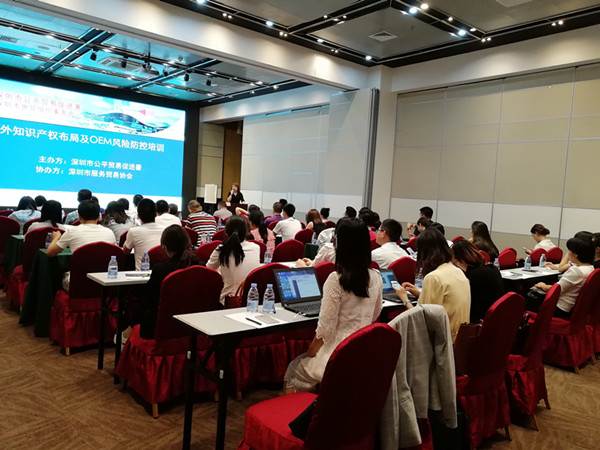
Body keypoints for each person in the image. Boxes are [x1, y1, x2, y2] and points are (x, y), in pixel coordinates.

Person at [284, 218, 383, 393]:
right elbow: (375, 314)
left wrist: (310, 353)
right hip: (364, 352)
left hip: (337, 354)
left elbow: (326, 329)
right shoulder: (376, 276)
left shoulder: (336, 280)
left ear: (339, 244)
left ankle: (291, 409)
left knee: (294, 370)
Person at [393, 227, 470, 342]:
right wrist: (420, 294)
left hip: (440, 342)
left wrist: (404, 299)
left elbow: (421, 321)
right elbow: (444, 304)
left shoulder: (434, 277)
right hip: (459, 339)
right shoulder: (458, 272)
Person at [135, 225, 199, 339]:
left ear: (164, 247)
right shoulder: (200, 267)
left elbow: (148, 300)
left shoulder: (160, 270)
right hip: (195, 327)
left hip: (161, 328)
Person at [530, 236, 595, 318]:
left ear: (575, 254)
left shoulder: (576, 271)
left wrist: (542, 285)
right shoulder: (590, 268)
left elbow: (556, 290)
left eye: (569, 251)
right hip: (572, 306)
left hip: (559, 308)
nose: (568, 253)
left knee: (528, 296)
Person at [207, 215, 260, 304]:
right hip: (252, 299)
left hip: (229, 300)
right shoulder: (256, 248)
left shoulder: (221, 249)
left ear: (226, 231)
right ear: (247, 231)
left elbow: (208, 270)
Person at [451, 239, 505, 322]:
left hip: (478, 320)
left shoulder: (470, 277)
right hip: (496, 318)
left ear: (457, 260)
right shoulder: (493, 269)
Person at [47, 200, 116, 257]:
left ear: (79, 217)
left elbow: (50, 253)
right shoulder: (109, 232)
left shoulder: (71, 232)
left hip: (78, 270)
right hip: (104, 270)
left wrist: (56, 238)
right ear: (98, 217)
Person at [123, 199, 165, 270]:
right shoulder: (166, 230)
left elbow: (125, 251)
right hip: (161, 274)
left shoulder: (134, 231)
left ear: (138, 216)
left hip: (142, 275)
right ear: (156, 214)